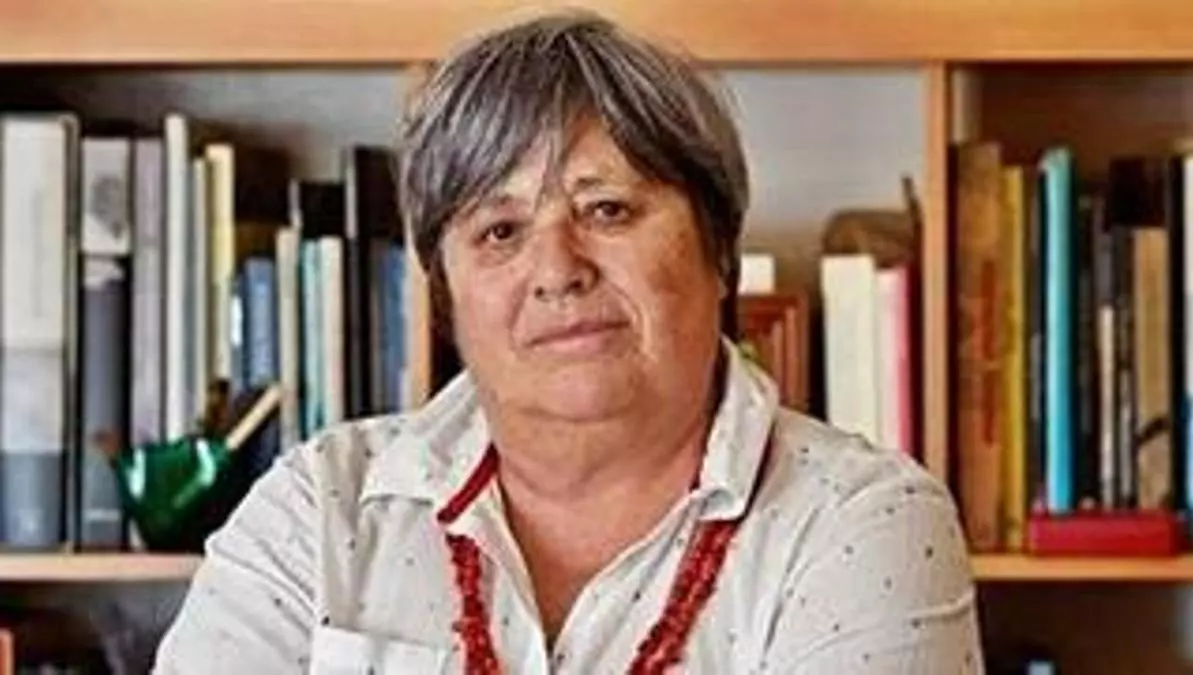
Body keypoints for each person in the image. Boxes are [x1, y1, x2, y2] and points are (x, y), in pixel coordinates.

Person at [154, 10, 982, 674]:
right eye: (500, 230)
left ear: (720, 249)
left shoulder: (860, 521)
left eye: (606, 209)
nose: (557, 269)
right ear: (445, 297)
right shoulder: (317, 507)